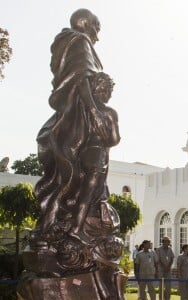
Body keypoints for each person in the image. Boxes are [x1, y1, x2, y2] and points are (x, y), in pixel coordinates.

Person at [33, 8, 120, 244]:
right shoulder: (79, 40)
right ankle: (62, 226)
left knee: (69, 177)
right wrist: (95, 112)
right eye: (96, 28)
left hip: (76, 113)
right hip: (78, 116)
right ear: (84, 23)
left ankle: (54, 225)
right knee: (71, 176)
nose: (97, 36)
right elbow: (82, 78)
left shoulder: (66, 42)